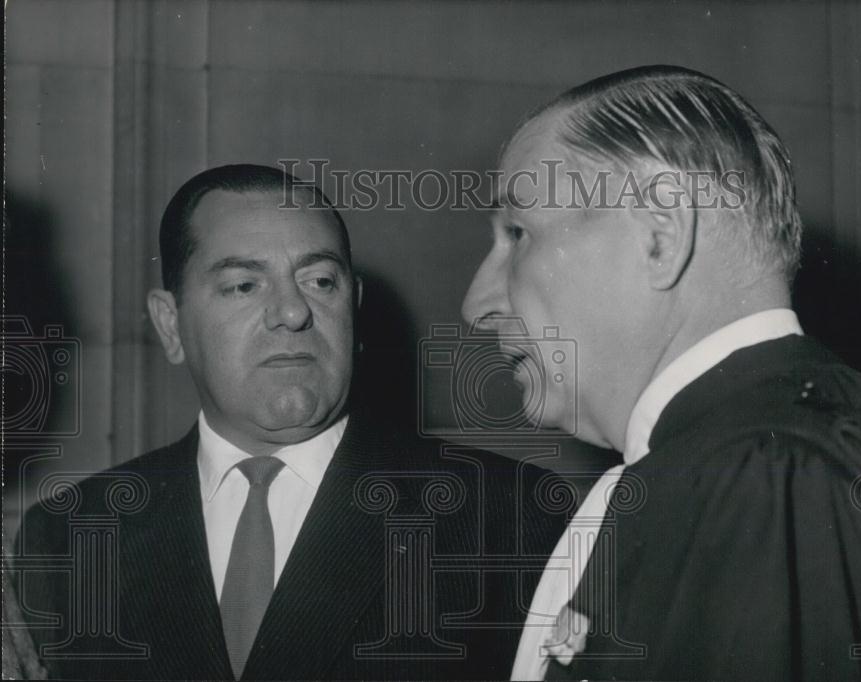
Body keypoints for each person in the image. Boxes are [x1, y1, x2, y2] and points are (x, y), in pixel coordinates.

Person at [462, 66, 861, 681]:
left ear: (661, 234)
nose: (478, 304)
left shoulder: (767, 473)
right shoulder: (779, 449)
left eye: (518, 234)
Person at [13, 164, 565, 680]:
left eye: (321, 281)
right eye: (243, 286)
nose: (294, 311)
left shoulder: (512, 515)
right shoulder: (67, 535)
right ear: (170, 324)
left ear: (355, 307)